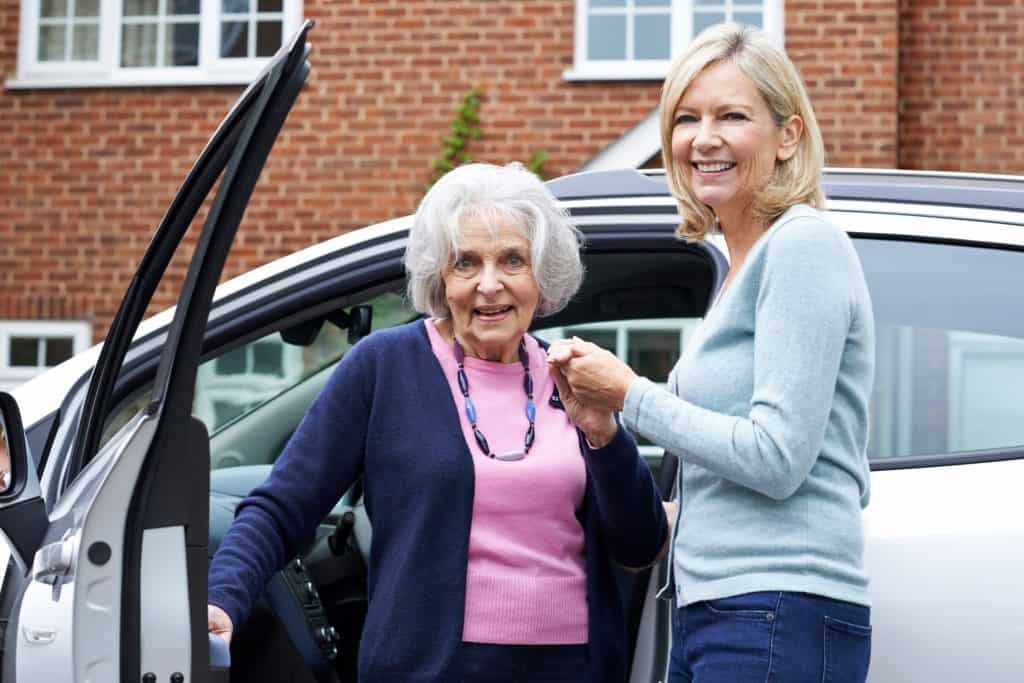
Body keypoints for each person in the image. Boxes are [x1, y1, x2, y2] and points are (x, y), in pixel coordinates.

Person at [207, 162, 668, 682]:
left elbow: (640, 546)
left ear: (541, 276)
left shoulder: (574, 375)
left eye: (512, 261)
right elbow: (284, 505)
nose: (488, 285)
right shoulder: (385, 366)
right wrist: (223, 598)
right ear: (440, 277)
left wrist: (604, 435)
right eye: (466, 263)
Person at [547, 23, 875, 683]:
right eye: (687, 118)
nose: (704, 137)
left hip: (773, 608)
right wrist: (605, 425)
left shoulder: (802, 245)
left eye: (733, 115)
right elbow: (723, 472)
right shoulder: (739, 268)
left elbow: (777, 458)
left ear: (788, 135)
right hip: (720, 608)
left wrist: (632, 394)